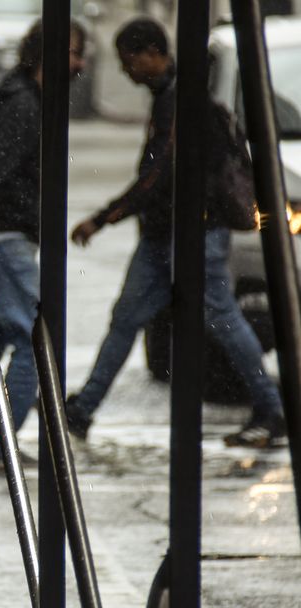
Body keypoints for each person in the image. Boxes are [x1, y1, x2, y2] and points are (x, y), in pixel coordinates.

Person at [65, 17, 286, 448]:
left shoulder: (181, 101)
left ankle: (271, 407)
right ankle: (82, 408)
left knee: (220, 318)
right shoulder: (171, 97)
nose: (129, 72)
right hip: (166, 234)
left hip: (194, 234)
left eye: (131, 61)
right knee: (128, 318)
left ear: (153, 54)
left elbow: (158, 177)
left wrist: (106, 216)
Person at [0, 20, 86, 448]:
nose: (79, 63)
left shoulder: (23, 98)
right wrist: (30, 217)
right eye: (73, 52)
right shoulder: (23, 105)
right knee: (34, 338)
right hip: (1, 237)